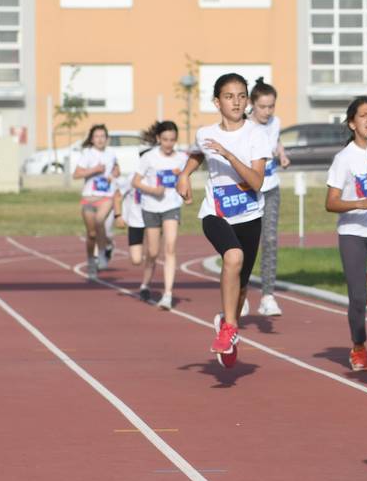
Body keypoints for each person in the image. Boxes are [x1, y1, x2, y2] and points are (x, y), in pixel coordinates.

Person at [176, 73, 271, 367]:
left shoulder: (257, 134)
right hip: (215, 213)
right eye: (229, 96)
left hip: (250, 215)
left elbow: (256, 181)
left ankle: (227, 324)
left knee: (241, 286)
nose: (236, 101)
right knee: (233, 256)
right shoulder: (205, 133)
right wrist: (184, 174)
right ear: (217, 102)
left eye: (242, 96)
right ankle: (229, 328)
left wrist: (229, 155)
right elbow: (197, 154)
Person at [325, 96, 367, 371]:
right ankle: (359, 347)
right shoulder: (344, 158)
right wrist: (360, 202)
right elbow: (331, 202)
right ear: (352, 123)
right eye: (363, 115)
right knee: (357, 297)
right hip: (352, 231)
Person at [133, 121, 188, 310]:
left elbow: (184, 181)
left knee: (171, 248)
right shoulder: (149, 158)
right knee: (153, 252)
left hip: (171, 207)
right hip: (151, 207)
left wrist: (186, 195)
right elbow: (136, 182)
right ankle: (146, 283)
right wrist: (153, 190)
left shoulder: (181, 158)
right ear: (158, 139)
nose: (168, 143)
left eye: (172, 140)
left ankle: (167, 294)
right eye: (165, 139)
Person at [248, 77, 290, 317]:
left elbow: (276, 141)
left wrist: (282, 155)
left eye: (271, 106)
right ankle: (240, 292)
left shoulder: (275, 123)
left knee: (271, 239)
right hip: (247, 191)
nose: (267, 111)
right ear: (253, 104)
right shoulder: (244, 126)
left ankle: (267, 296)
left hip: (271, 187)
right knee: (246, 245)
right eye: (262, 106)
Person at [73, 124, 120, 280]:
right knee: (91, 234)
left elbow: (116, 169)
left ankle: (101, 254)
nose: (100, 139)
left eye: (102, 136)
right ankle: (91, 262)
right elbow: (76, 174)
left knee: (100, 221)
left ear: (107, 139)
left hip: (106, 197)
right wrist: (94, 170)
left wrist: (114, 173)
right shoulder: (87, 154)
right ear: (92, 139)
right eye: (97, 136)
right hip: (88, 198)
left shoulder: (111, 153)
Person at [113, 174, 156, 301]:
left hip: (154, 220)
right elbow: (117, 195)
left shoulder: (159, 175)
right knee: (136, 260)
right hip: (135, 221)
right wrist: (118, 215)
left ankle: (145, 285)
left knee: (152, 253)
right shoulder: (132, 177)